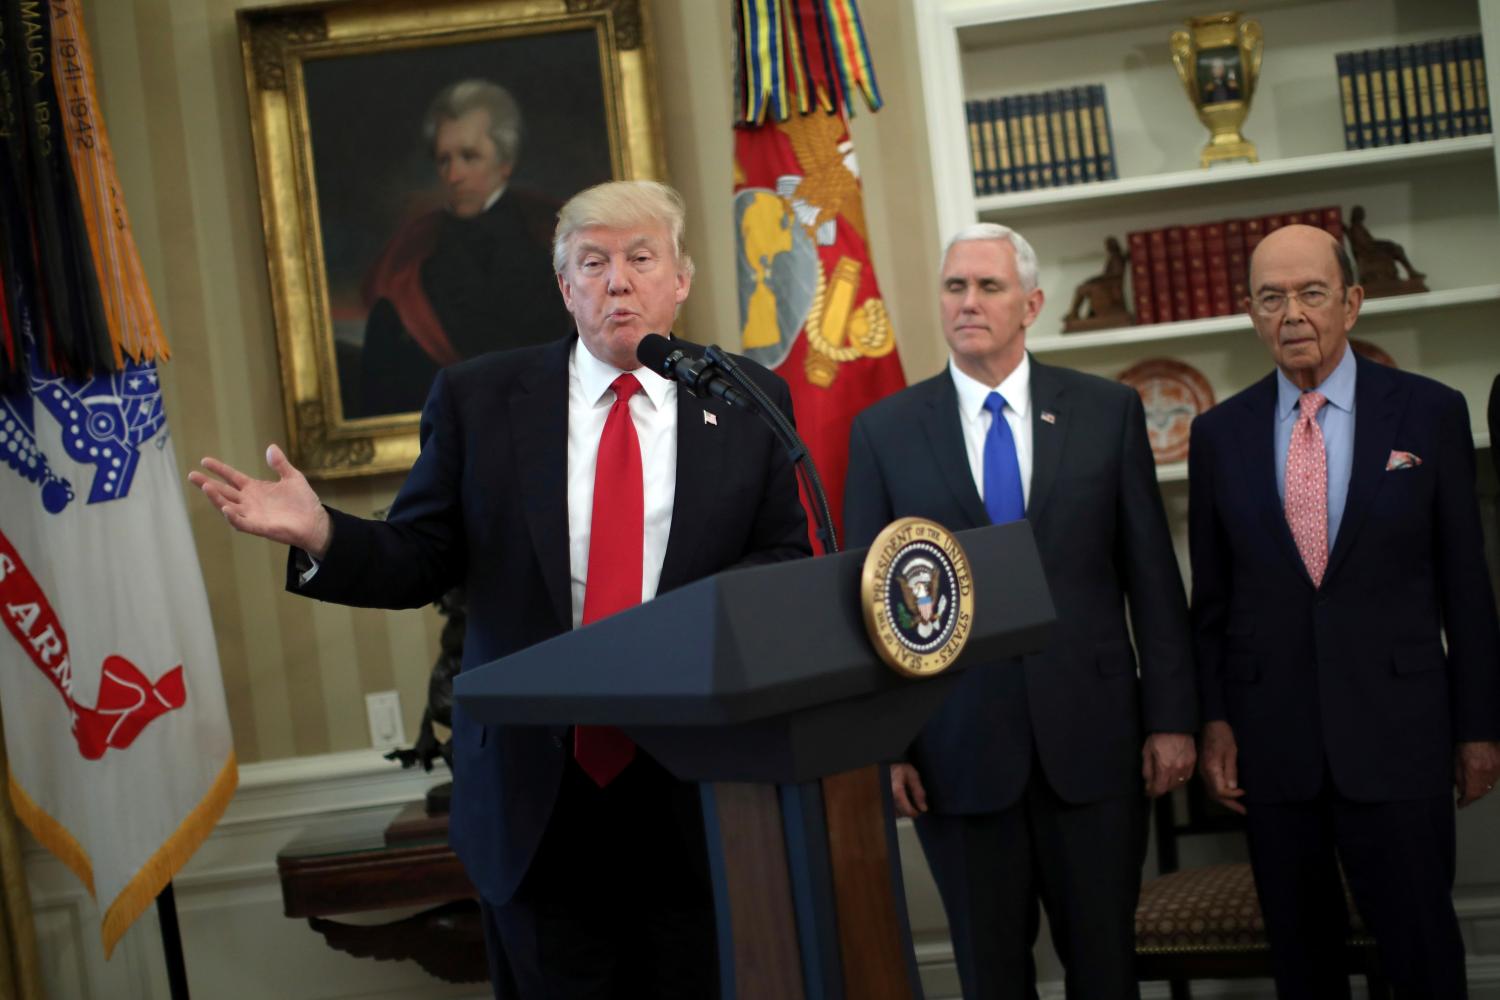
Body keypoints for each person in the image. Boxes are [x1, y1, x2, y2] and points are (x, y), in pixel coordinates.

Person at [190, 180, 810, 998]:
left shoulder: (747, 400)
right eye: (593, 263)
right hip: (538, 797)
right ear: (564, 287)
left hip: (696, 791)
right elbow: (420, 558)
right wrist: (323, 534)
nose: (616, 281)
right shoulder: (482, 399)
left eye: (639, 258)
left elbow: (782, 562)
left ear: (681, 279)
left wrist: (676, 637)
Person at [843, 222, 1197, 1000]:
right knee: (990, 975)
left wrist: (1172, 716)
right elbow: (873, 606)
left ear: (1031, 303)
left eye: (989, 287)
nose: (968, 302)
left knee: (1105, 969)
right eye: (954, 287)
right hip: (954, 751)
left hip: (1095, 739)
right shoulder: (884, 432)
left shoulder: (1107, 412)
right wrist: (887, 746)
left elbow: (1151, 577)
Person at [1190, 223, 1500, 998]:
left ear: (1352, 302)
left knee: (1420, 955)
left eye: (1311, 293)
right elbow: (1213, 602)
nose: (1291, 313)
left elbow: (1467, 585)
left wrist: (1479, 727)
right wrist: (1217, 721)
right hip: (1274, 743)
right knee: (1304, 961)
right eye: (1270, 298)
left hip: (1402, 734)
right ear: (1252, 314)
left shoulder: (1430, 413)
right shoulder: (1217, 435)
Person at [356, 79, 570, 417]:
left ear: (505, 162)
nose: (454, 174)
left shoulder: (550, 236)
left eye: (469, 157)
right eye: (444, 160)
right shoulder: (413, 256)